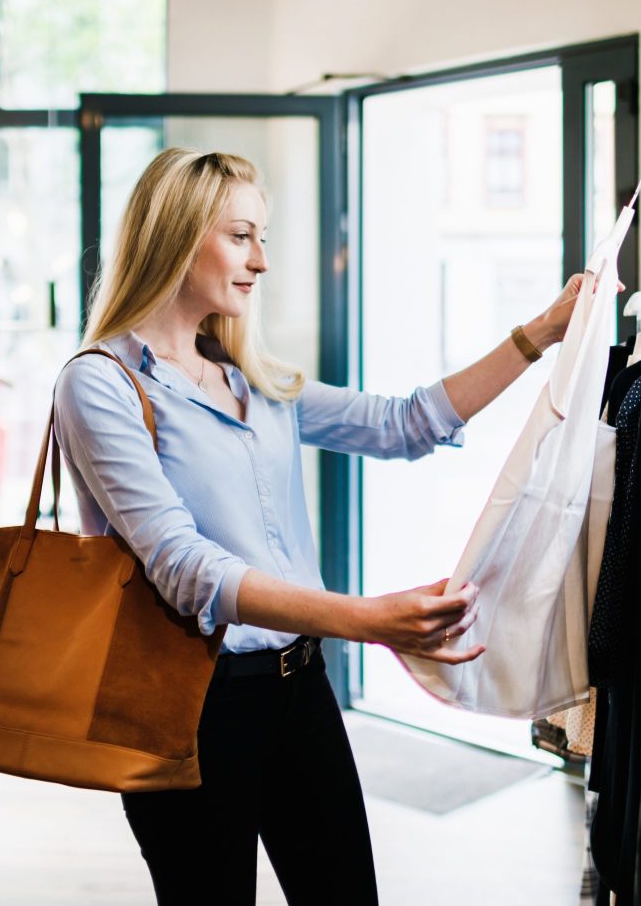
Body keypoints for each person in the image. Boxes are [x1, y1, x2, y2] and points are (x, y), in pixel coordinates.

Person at [53, 147, 586, 905]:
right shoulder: (100, 383)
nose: (261, 261)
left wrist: (543, 332)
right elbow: (185, 568)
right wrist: (366, 619)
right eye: (241, 237)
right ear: (175, 235)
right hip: (188, 707)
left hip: (299, 689)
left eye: (261, 238)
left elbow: (407, 423)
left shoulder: (251, 379)